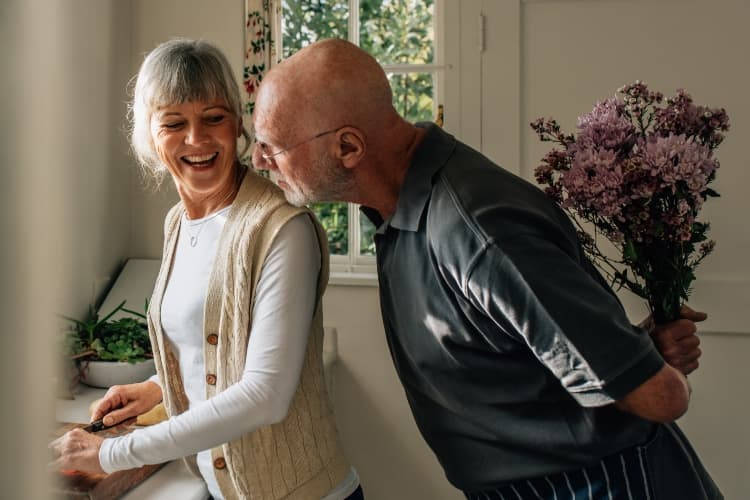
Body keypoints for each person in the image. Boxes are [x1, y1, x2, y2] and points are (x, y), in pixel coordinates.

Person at [249, 38, 722, 499]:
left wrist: (647, 369)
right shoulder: (403, 209)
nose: (260, 161)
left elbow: (662, 397)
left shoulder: (477, 229)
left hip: (602, 486)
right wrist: (637, 352)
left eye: (272, 146)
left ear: (348, 148)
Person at [50, 38, 363, 500]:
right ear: (150, 137)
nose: (196, 139)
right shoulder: (178, 222)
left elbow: (265, 393)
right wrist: (157, 389)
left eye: (213, 118)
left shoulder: (281, 229)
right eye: (174, 123)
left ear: (238, 124)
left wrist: (109, 454)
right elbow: (215, 349)